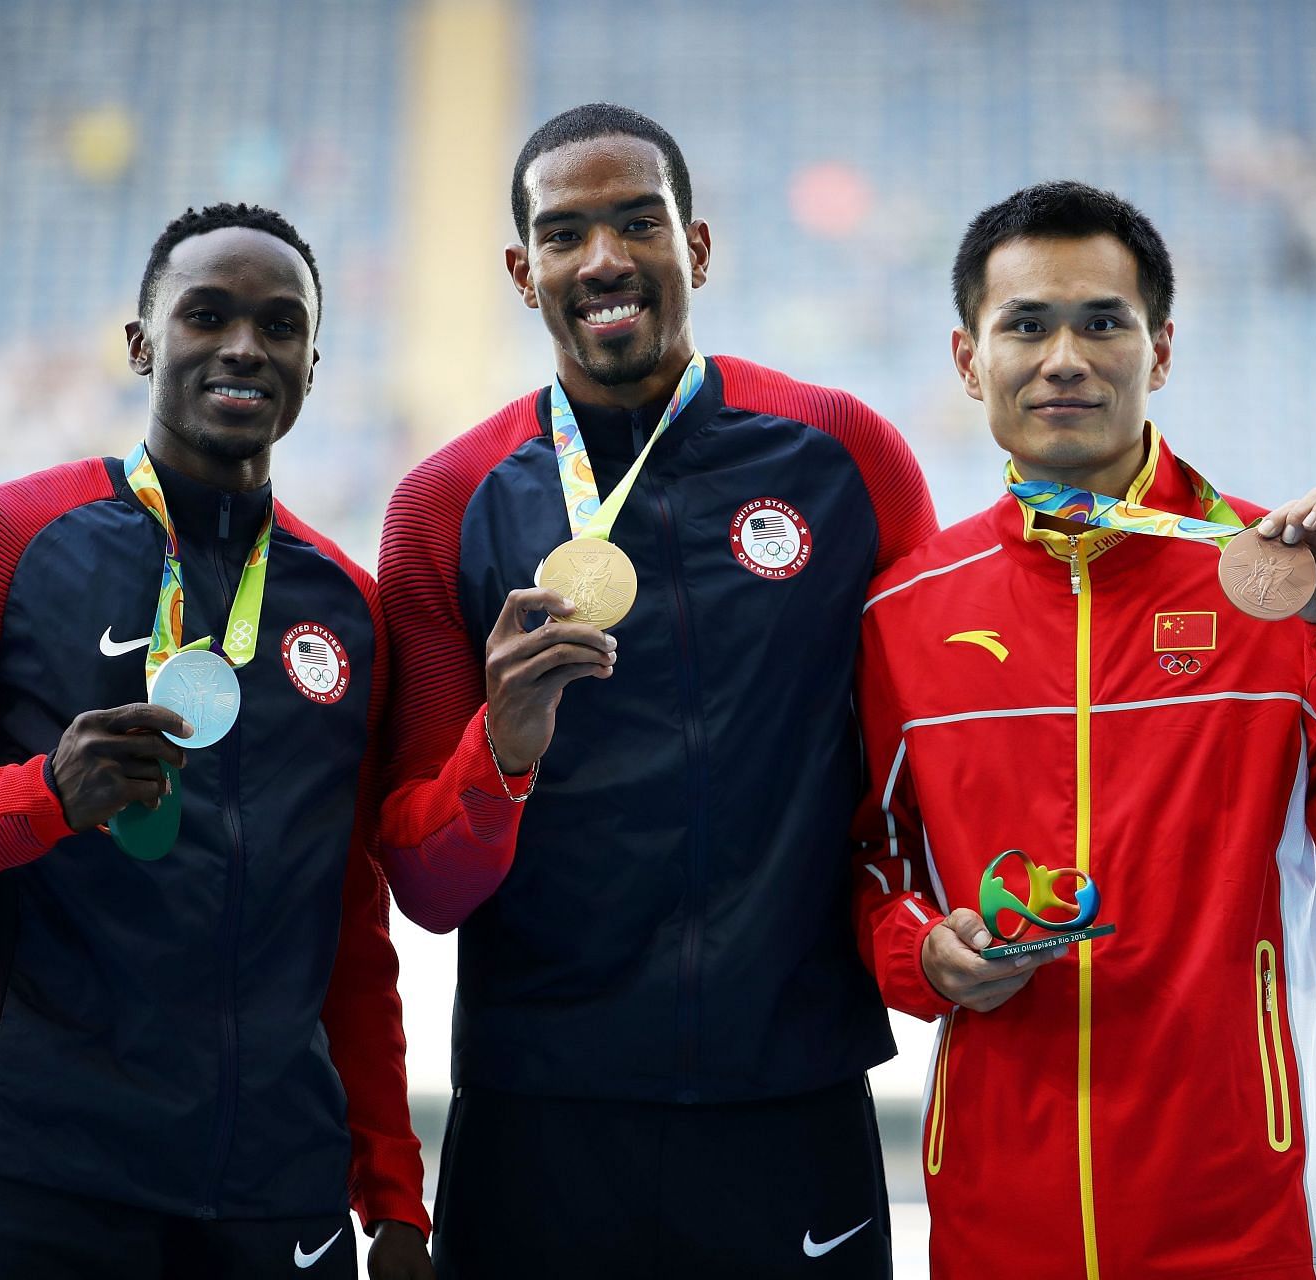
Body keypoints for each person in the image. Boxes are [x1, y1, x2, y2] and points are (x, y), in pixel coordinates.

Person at [0, 203, 433, 1279]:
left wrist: (393, 1194)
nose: (243, 345)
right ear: (140, 341)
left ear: (313, 365)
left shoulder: (350, 609)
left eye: (279, 325)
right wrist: (42, 795)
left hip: (273, 1198)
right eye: (207, 314)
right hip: (37, 1181)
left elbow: (350, 936)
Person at [854, 180, 1316, 1280]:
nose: (1065, 356)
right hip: (1000, 1227)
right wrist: (920, 948)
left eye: (1104, 320)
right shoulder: (906, 612)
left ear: (1163, 348)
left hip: (1244, 1224)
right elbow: (860, 861)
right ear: (966, 357)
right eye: (1025, 324)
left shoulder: (1282, 582)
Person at [375, 103, 937, 1278]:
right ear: (523, 273)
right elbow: (423, 882)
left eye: (640, 222)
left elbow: (926, 767)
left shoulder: (842, 455)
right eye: (567, 234)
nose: (607, 260)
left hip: (793, 1092)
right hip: (542, 1109)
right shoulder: (446, 503)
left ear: (701, 248)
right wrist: (504, 749)